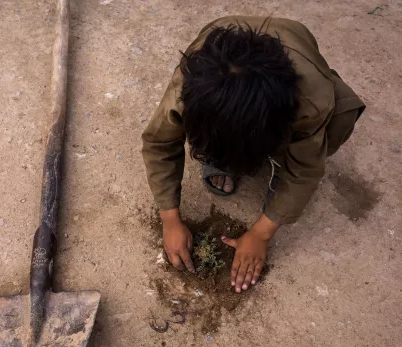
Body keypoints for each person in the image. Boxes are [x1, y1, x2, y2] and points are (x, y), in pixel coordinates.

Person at [141, 16, 365, 293]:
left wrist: (261, 233)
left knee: (338, 123)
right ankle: (220, 152)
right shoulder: (188, 87)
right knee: (216, 130)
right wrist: (170, 218)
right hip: (223, 83)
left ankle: (270, 162)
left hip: (295, 91)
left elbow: (306, 171)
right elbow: (158, 142)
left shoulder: (310, 103)